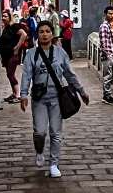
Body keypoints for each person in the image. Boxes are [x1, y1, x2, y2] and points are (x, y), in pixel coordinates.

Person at [20, 22, 88, 177]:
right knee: (40, 132)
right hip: (39, 99)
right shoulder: (31, 54)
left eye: (48, 31)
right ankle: (39, 151)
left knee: (55, 133)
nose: (44, 34)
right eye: (41, 31)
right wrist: (23, 94)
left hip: (57, 98)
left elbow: (69, 74)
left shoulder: (60, 53)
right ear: (37, 34)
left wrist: (81, 91)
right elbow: (26, 75)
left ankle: (54, 164)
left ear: (52, 34)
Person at [0, 10, 28, 104]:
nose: (3, 18)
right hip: (6, 56)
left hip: (12, 55)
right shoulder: (6, 28)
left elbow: (24, 34)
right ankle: (14, 93)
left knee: (11, 74)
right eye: (2, 16)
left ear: (10, 17)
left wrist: (17, 47)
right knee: (9, 74)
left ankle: (18, 95)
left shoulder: (14, 26)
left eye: (5, 16)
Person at [97, 5, 113, 103]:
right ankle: (106, 96)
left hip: (110, 54)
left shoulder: (109, 25)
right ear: (105, 14)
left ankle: (107, 95)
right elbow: (103, 42)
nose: (112, 15)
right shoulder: (104, 26)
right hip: (107, 55)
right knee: (107, 76)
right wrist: (108, 54)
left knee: (109, 76)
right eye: (110, 13)